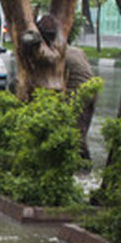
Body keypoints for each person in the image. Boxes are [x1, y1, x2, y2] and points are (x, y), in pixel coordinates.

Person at [36, 14, 98, 160]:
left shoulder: (51, 56)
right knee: (81, 131)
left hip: (76, 91)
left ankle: (80, 167)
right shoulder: (76, 51)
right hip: (93, 89)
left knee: (71, 132)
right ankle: (84, 168)